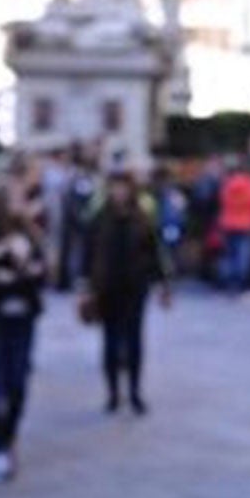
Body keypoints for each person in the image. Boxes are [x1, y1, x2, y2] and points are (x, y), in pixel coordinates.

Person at [0, 184, 48, 480]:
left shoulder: (30, 235)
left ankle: (9, 436)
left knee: (18, 383)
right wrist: (1, 262)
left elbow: (40, 272)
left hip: (22, 317)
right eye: (14, 199)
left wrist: (19, 273)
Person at [83, 169, 172, 414]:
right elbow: (88, 254)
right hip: (107, 287)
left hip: (135, 287)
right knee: (110, 342)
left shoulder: (142, 218)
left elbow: (154, 252)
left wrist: (163, 284)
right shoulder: (99, 219)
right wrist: (86, 286)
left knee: (134, 341)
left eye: (123, 186)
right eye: (115, 186)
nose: (119, 192)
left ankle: (134, 392)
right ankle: (112, 393)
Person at [215, 157, 250, 298]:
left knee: (230, 256)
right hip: (246, 224)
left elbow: (222, 201)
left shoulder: (227, 184)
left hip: (228, 224)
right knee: (244, 257)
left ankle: (229, 286)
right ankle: (242, 287)